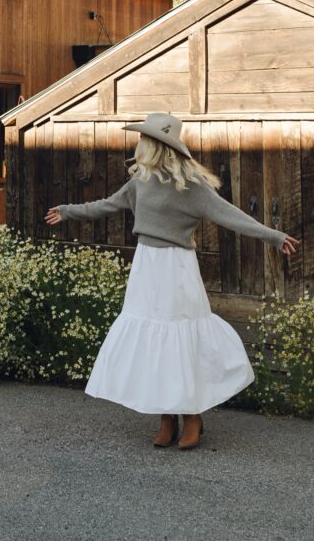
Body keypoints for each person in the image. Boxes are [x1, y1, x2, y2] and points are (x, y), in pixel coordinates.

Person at [44, 112, 300, 450]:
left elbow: (232, 216)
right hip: (147, 269)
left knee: (181, 340)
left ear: (156, 145)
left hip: (177, 271)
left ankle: (191, 416)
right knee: (155, 342)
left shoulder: (192, 187)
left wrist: (274, 236)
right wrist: (68, 211)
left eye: (145, 139)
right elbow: (105, 206)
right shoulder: (140, 181)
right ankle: (167, 417)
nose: (140, 145)